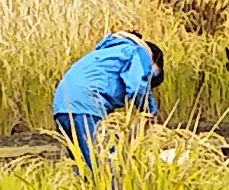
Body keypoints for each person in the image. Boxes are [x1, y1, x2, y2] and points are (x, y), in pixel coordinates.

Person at [48, 31, 164, 169]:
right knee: (106, 168)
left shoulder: (107, 53)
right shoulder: (137, 52)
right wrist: (150, 111)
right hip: (86, 105)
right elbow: (137, 86)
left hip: (62, 108)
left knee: (85, 169)